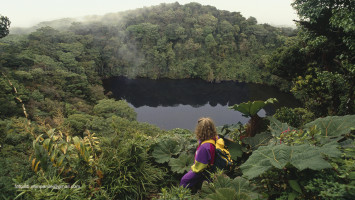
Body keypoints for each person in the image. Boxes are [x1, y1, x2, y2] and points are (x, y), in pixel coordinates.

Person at [180, 117, 217, 190]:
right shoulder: (214, 138)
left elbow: (200, 167)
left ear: (200, 130)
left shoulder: (204, 147)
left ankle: (182, 195)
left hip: (204, 171)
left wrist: (192, 169)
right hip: (212, 169)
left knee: (184, 180)